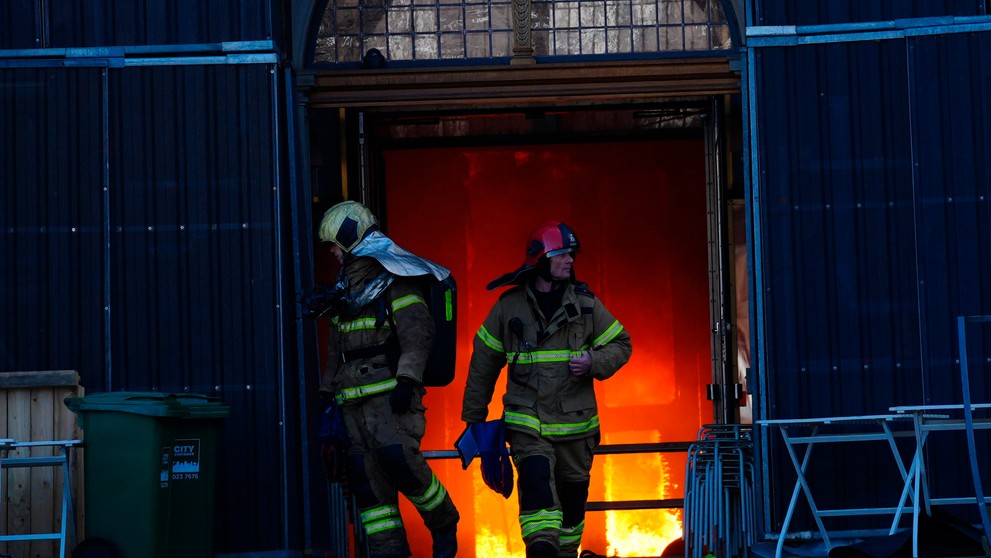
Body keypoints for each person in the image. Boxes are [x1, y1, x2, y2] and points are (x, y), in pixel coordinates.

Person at [461, 221, 632, 558]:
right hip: (528, 422)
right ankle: (541, 551)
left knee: (571, 505)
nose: (570, 260)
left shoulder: (586, 305)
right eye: (561, 254)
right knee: (537, 487)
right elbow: (483, 364)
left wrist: (593, 362)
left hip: (575, 427)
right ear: (540, 259)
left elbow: (621, 344)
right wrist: (474, 421)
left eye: (571, 254)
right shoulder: (508, 307)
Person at [315, 200, 460, 558]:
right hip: (351, 403)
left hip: (389, 398)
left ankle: (443, 522)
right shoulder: (343, 294)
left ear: (350, 240)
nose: (332, 252)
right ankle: (389, 552)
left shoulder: (395, 280)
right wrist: (326, 392)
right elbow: (337, 350)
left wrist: (408, 380)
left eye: (335, 244)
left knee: (400, 463)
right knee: (366, 484)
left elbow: (418, 334)